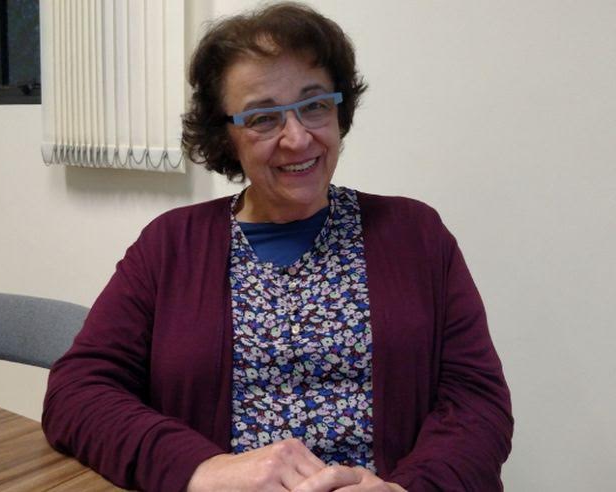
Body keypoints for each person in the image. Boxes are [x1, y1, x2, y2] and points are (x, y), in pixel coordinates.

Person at [42, 3, 513, 491]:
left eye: (314, 105)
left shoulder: (416, 235)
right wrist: (201, 469)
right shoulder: (170, 246)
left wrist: (406, 489)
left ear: (339, 111)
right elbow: (77, 392)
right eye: (263, 118)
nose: (297, 138)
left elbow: (477, 403)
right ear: (226, 135)